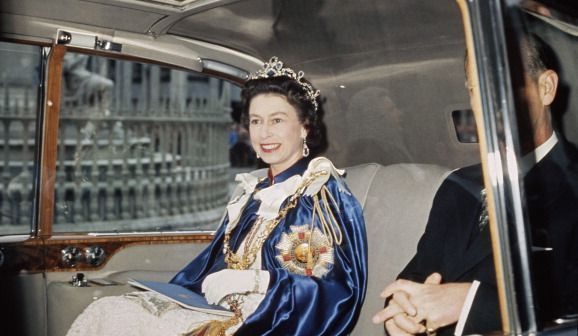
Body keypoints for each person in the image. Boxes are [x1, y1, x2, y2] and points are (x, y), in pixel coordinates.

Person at [67, 56, 368, 336]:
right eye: (255, 121)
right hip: (223, 310)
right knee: (107, 310)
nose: (264, 134)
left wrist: (260, 281)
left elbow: (334, 293)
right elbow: (209, 266)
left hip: (266, 322)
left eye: (277, 120)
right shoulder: (255, 192)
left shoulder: (321, 196)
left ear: (304, 127)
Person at [372, 33, 578, 335]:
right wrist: (398, 312)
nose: (485, 105)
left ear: (546, 88)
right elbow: (417, 275)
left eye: (500, 86)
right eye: (474, 90)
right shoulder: (457, 185)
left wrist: (470, 303)